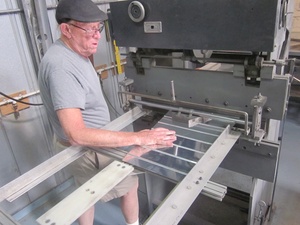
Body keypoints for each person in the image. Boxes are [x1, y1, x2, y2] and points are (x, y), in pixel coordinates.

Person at [38, 0, 177, 225]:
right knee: (130, 186)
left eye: (98, 28)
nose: (97, 36)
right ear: (66, 29)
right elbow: (77, 134)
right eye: (90, 29)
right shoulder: (62, 67)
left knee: (84, 195)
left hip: (85, 147)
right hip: (90, 150)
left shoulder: (68, 52)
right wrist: (139, 137)